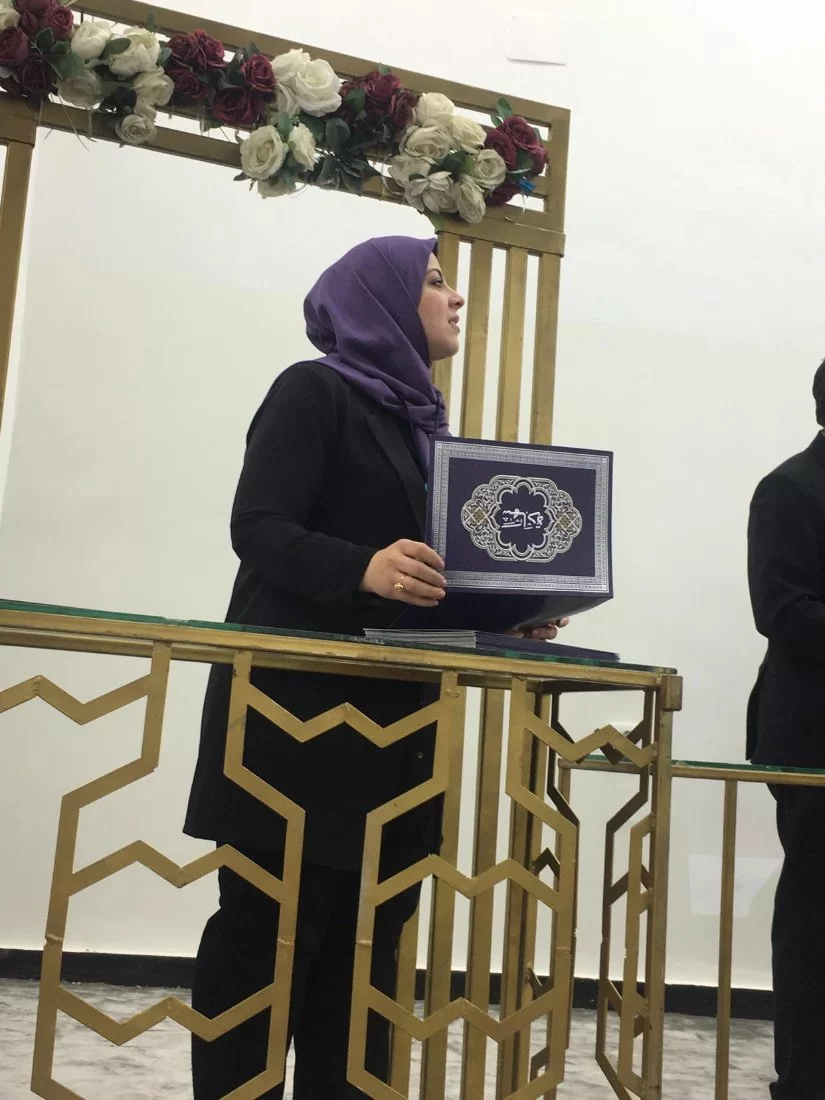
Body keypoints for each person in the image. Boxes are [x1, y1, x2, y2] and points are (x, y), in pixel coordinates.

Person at [183, 235, 562, 1099]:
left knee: (365, 959)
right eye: (433, 281)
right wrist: (361, 567)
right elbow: (259, 526)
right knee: (268, 940)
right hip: (294, 726)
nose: (455, 297)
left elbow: (423, 582)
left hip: (394, 731)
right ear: (378, 300)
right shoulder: (313, 391)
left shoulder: (422, 428)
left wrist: (505, 616)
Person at [747, 357, 825, 1100]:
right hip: (814, 734)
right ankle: (805, 1078)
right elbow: (781, 610)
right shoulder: (790, 489)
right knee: (816, 911)